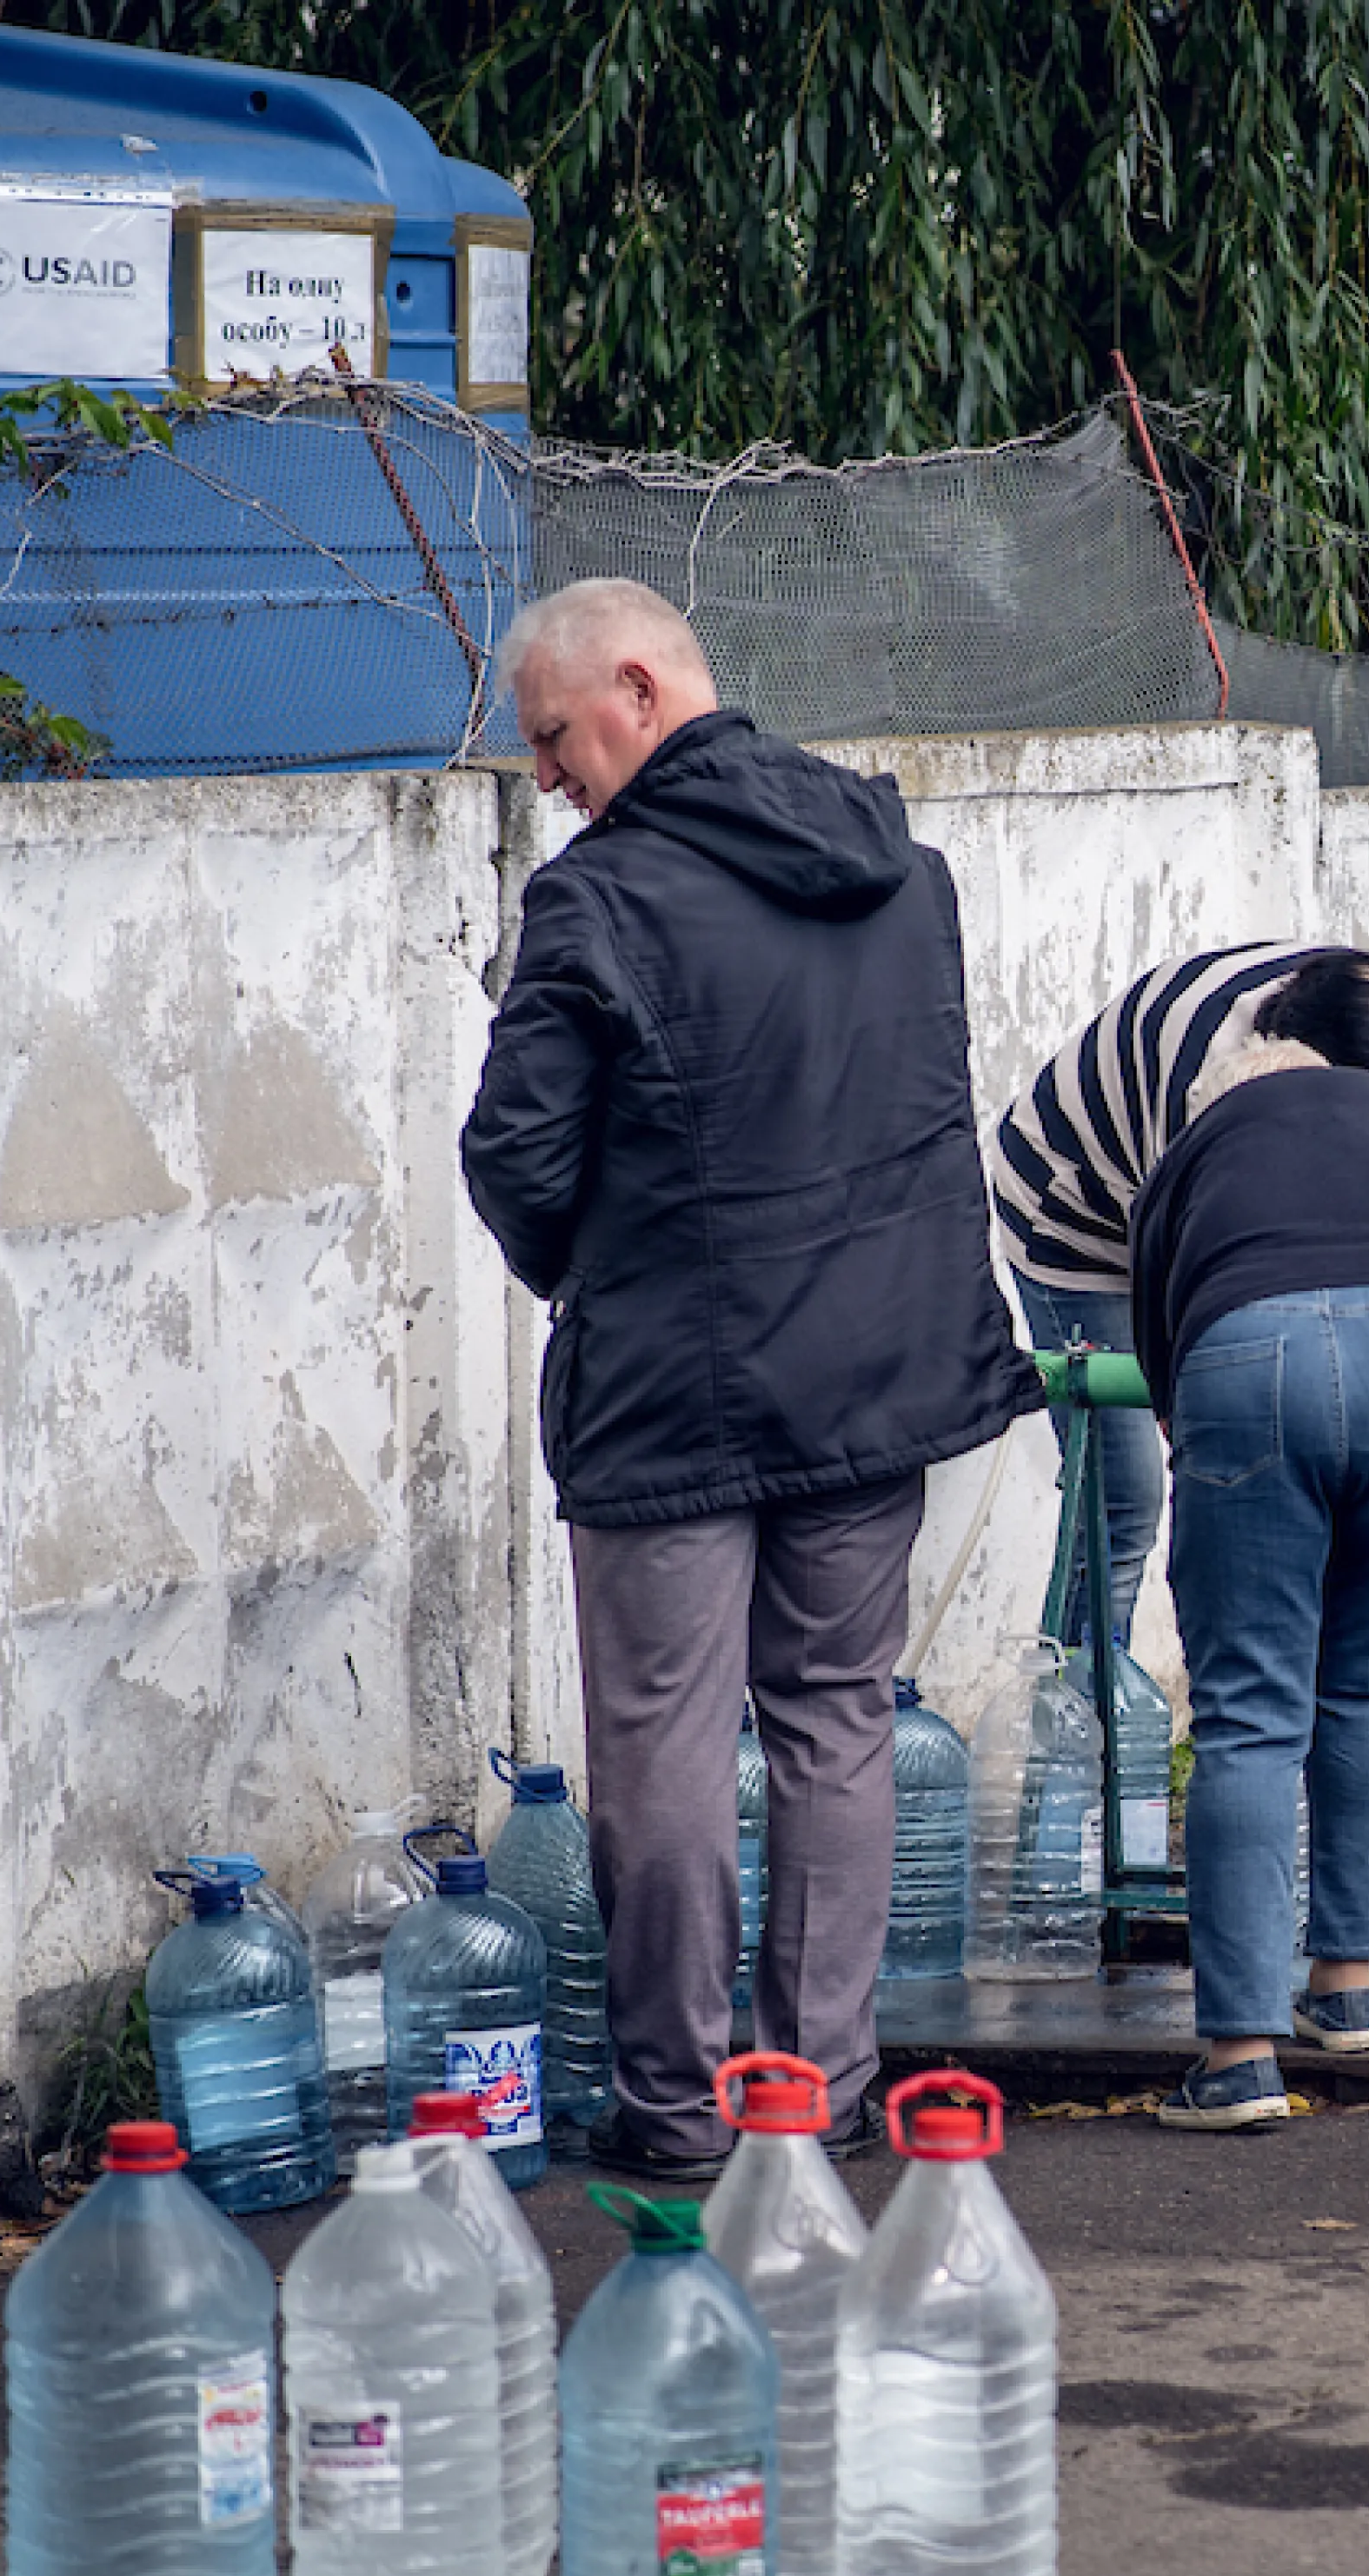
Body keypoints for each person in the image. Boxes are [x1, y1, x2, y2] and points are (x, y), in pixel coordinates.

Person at [460, 576, 1041, 2179]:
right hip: (881, 1371)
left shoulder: (600, 899)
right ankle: (821, 2096)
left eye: (558, 737)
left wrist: (603, 1273)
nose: (550, 778)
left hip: (672, 1392)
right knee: (839, 1726)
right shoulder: (903, 875)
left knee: (661, 1750)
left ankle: (675, 2111)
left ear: (640, 690)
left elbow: (514, 1156)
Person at [1126, 995, 1369, 2133]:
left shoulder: (1198, 1147)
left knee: (1250, 1711)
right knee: (1368, 1669)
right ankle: (1349, 1989)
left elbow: (1162, 1346)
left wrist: (1214, 1441)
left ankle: (1241, 2055)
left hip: (1250, 1356)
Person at [993, 946, 1369, 1649]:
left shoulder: (1363, 1020)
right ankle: (1084, 1725)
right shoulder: (1213, 1080)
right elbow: (1182, 1275)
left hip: (1191, 1214)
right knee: (1122, 1500)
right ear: (1308, 1064)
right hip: (1078, 1222)